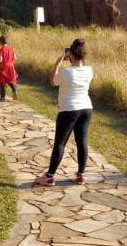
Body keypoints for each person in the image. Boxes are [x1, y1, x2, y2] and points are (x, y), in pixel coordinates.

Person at [34, 38, 93, 186]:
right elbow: (79, 70)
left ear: (70, 55)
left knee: (60, 143)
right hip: (86, 108)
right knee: (82, 141)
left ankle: (50, 176)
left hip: (68, 109)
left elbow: (53, 81)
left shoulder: (66, 72)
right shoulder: (89, 70)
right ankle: (81, 175)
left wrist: (57, 63)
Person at [0, 35, 18, 101]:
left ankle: (3, 97)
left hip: (4, 67)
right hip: (11, 67)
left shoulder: (1, 50)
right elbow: (15, 57)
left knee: (2, 81)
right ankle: (15, 92)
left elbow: (0, 59)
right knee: (11, 80)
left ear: (0, 42)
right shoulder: (11, 49)